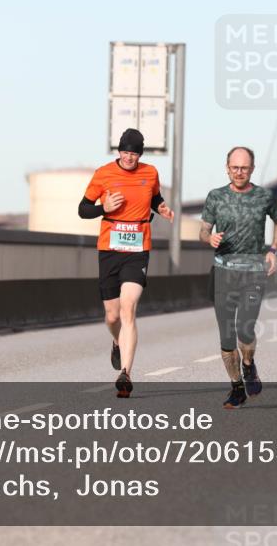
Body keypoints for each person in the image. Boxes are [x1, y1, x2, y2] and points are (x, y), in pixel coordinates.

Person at [79, 128, 174, 398]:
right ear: (118, 152)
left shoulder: (150, 173)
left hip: (137, 249)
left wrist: (162, 208)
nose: (129, 157)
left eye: (134, 153)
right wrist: (103, 208)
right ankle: (116, 340)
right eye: (125, 152)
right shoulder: (103, 174)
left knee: (128, 308)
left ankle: (126, 374)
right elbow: (83, 209)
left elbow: (154, 197)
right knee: (112, 316)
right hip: (109, 250)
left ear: (140, 154)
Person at [200, 146, 277, 409]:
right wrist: (209, 238)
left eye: (244, 168)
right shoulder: (215, 197)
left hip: (253, 271)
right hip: (223, 271)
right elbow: (203, 230)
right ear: (227, 168)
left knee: (244, 328)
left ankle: (248, 364)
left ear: (252, 168)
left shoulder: (264, 196)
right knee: (226, 336)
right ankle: (236, 387)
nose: (239, 172)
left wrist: (273, 250)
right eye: (235, 167)